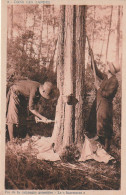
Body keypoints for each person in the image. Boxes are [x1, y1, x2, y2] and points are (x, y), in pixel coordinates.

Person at [87, 49, 119, 151]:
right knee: (95, 123)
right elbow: (95, 70)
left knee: (105, 126)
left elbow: (108, 94)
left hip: (105, 106)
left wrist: (98, 88)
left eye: (107, 66)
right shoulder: (106, 77)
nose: (106, 67)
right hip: (98, 103)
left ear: (110, 70)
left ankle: (106, 148)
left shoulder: (114, 81)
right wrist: (92, 57)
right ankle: (98, 146)